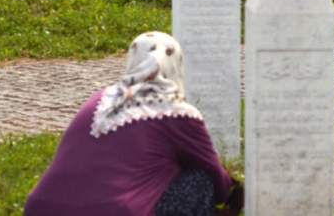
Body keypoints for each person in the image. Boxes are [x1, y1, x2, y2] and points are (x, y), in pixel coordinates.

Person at [25, 32, 242, 216]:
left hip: (42, 207)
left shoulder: (100, 99)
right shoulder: (177, 113)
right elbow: (216, 178)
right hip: (115, 211)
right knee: (200, 181)